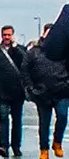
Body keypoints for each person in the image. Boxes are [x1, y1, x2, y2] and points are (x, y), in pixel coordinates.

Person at [21, 23, 69, 159]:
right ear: (44, 34)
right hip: (42, 93)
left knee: (63, 116)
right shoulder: (34, 51)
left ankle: (57, 142)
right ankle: (44, 150)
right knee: (44, 123)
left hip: (62, 91)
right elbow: (25, 71)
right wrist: (30, 88)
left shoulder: (64, 50)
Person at [0, 25, 27, 158]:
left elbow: (25, 64)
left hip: (17, 92)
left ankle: (16, 146)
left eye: (9, 35)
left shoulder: (20, 50)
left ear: (13, 35)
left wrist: (15, 48)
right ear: (1, 35)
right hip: (1, 91)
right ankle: (3, 146)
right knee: (3, 118)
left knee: (17, 120)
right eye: (4, 35)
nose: (6, 37)